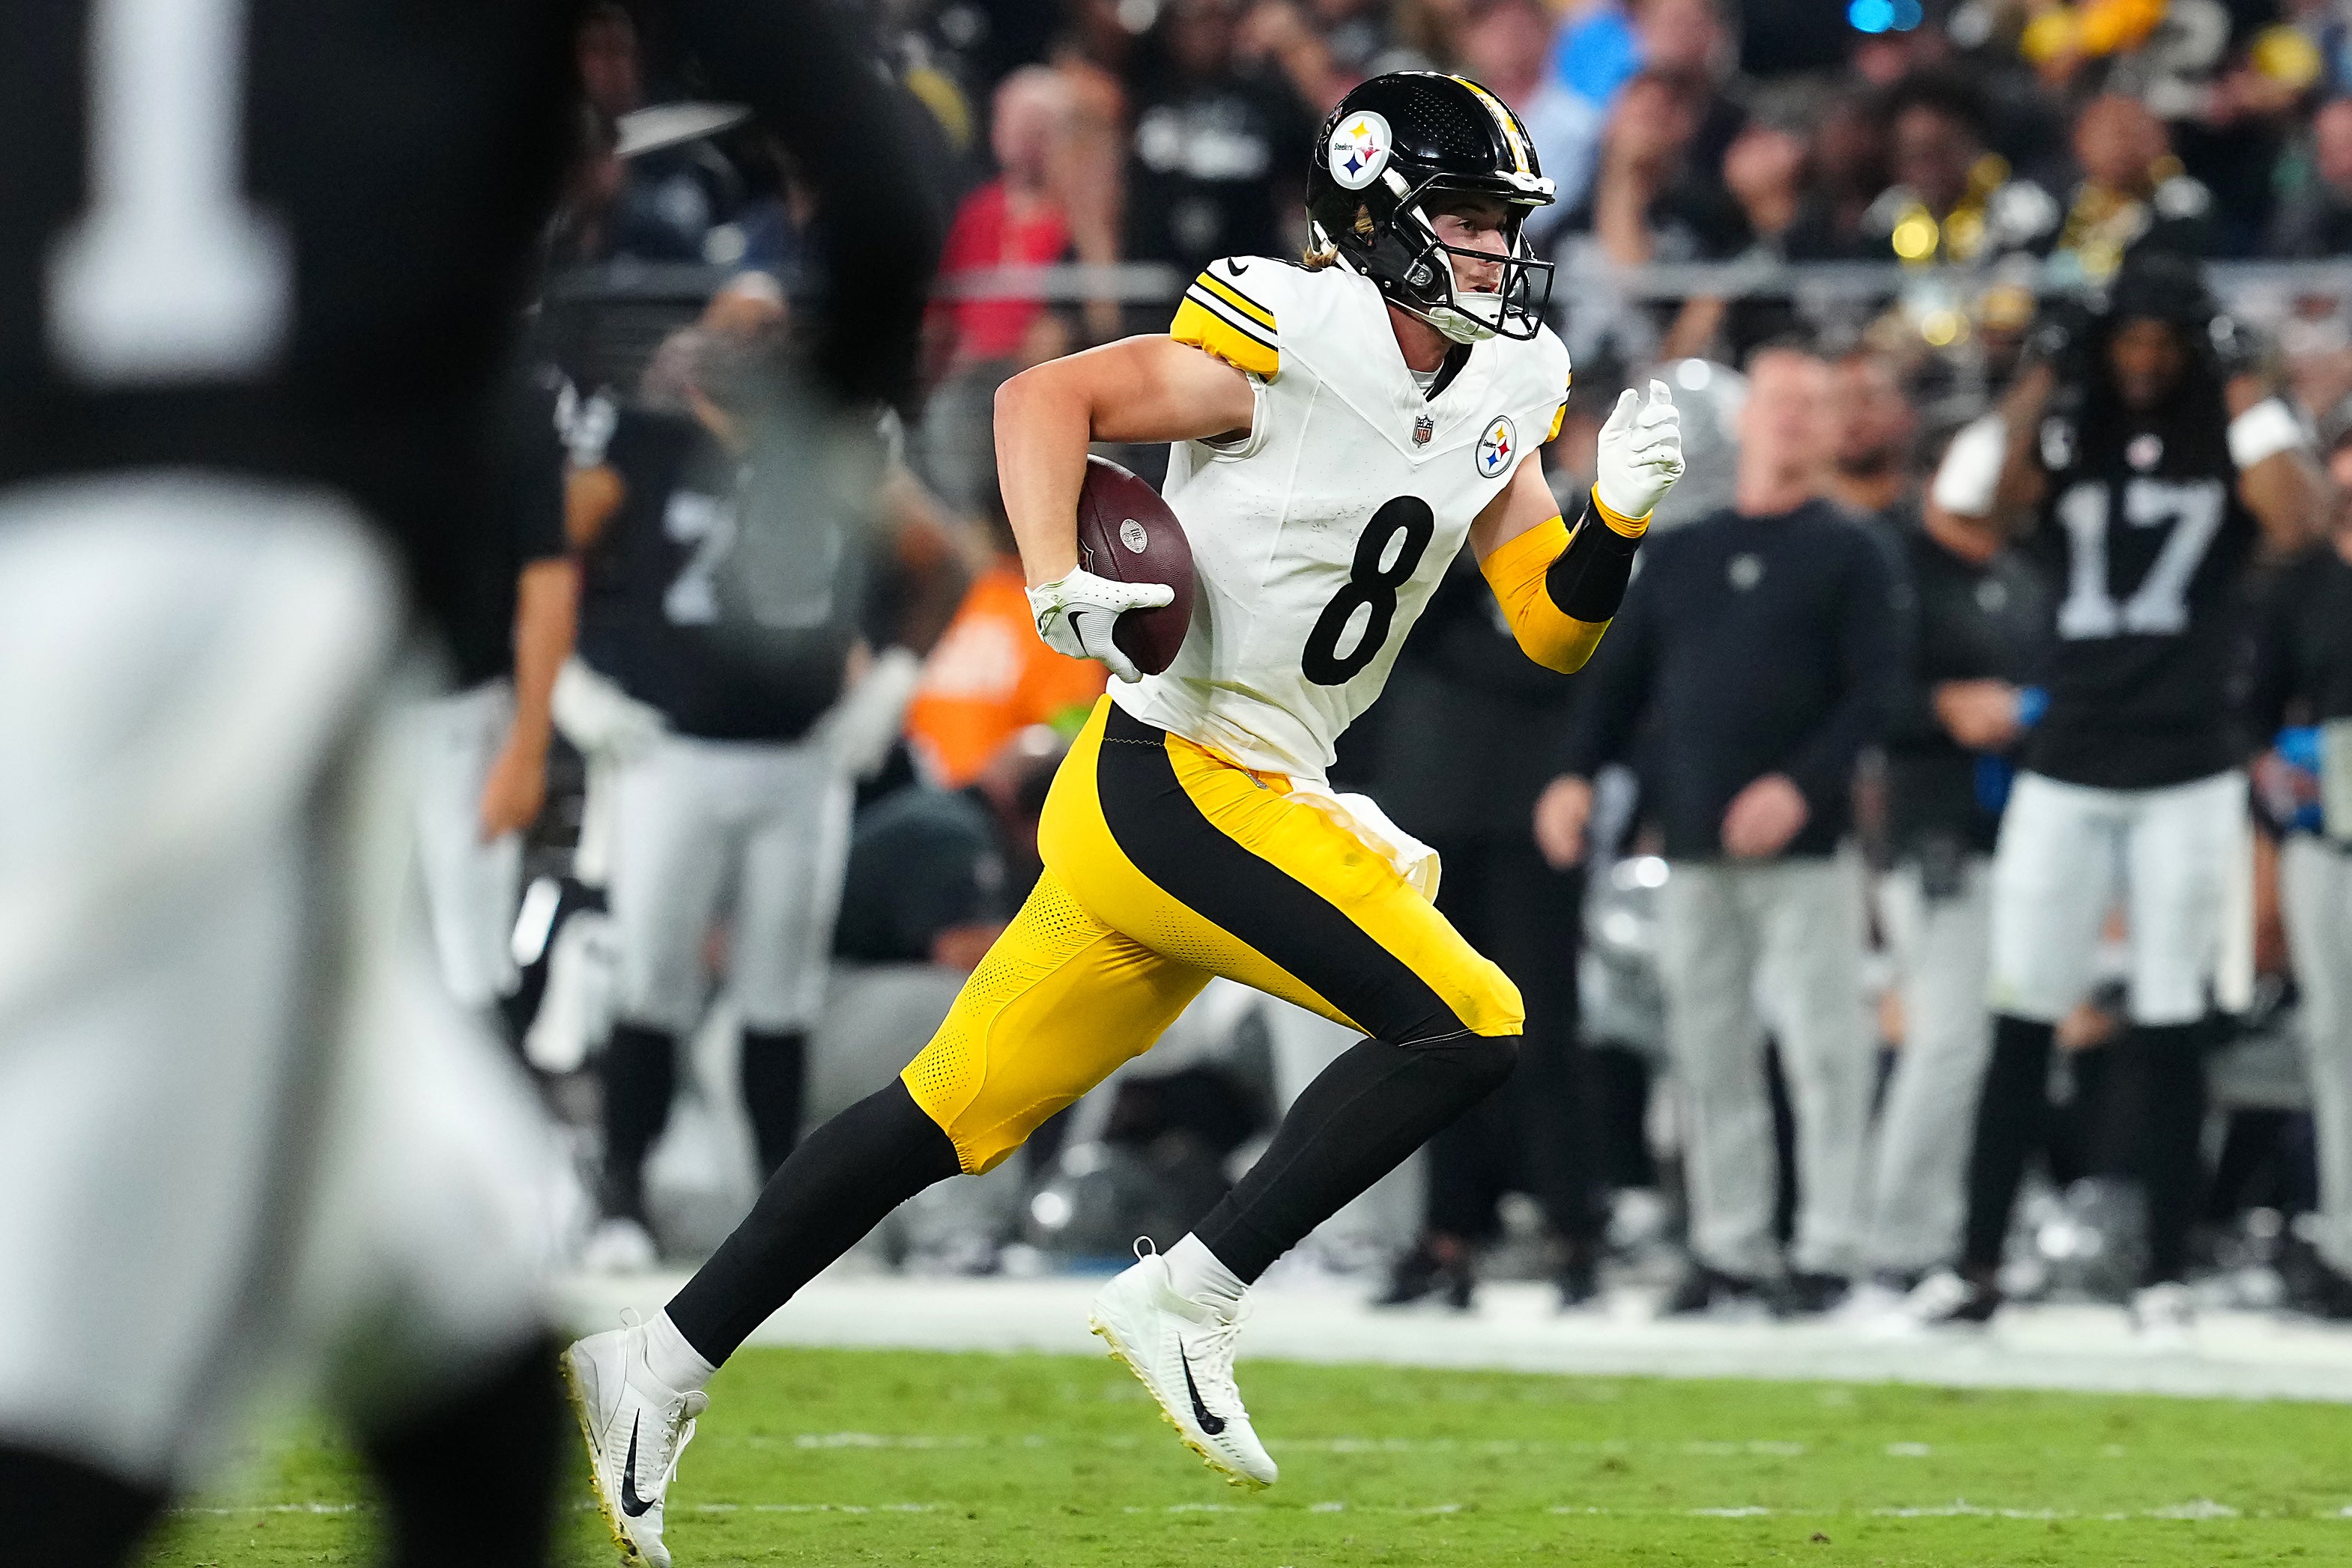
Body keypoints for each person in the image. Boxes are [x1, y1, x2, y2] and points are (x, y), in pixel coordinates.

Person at [563, 71, 1685, 1561]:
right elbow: (1045, 397)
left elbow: (1546, 627)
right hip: (1173, 768)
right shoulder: (1291, 329)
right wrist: (1049, 581)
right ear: (1377, 220)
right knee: (1466, 1022)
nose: (1494, 252)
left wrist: (1612, 521)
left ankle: (655, 1360)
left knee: (941, 1112)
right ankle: (1191, 1291)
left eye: (1500, 224)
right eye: (1469, 220)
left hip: (1249, 786)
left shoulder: (1507, 378)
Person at [0, 3, 939, 1566]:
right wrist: (814, 464)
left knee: (457, 1321)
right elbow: (879, 180)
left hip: (70, 593)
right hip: (247, 602)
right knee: (90, 1410)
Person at [1923, 255, 2324, 1337]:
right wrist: (2042, 375)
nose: (2144, 360)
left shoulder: (2228, 434)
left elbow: (2297, 519)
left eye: (2164, 342)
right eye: (2127, 340)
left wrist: (2244, 384)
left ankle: (2164, 1272)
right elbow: (1976, 503)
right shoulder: (2071, 426)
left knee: (2171, 1022)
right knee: (2024, 1011)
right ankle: (1976, 1262)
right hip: (2072, 756)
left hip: (2189, 762)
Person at [569, 309, 961, 1271]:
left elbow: (942, 564)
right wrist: (572, 687)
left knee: (777, 990)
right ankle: (622, 1194)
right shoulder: (646, 443)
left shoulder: (834, 453)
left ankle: (774, 1211)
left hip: (798, 758)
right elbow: (542, 563)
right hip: (671, 752)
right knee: (651, 977)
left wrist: (892, 683)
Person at [1536, 345, 1900, 1314]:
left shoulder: (1852, 550)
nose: (1792, 419)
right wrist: (1575, 774)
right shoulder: (1686, 551)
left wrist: (1800, 785)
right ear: (1746, 418)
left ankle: (1831, 1246)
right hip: (1692, 844)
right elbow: (1617, 684)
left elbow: (1876, 696)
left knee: (1826, 1050)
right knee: (1709, 1050)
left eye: (1813, 403)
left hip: (1810, 848)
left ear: (1831, 427)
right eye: (1780, 400)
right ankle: (1730, 1245)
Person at [1853, 416, 2054, 1301]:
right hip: (1931, 827)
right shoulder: (1892, 563)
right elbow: (1859, 691)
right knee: (1946, 1041)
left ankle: (1971, 1230)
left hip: (2018, 832)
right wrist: (1942, 707)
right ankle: (1898, 1237)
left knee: (1998, 1045)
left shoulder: (2018, 575)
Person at [410, 359, 580, 1045]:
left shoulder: (512, 393)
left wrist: (528, 747)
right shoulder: (323, 363)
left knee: (465, 967)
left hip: (459, 709)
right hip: (343, 705)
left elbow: (548, 581)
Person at [2237, 411, 2352, 1314]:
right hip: (2326, 838)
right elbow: (2252, 719)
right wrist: (2277, 778)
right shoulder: (2299, 583)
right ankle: (2344, 1243)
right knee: (2334, 1043)